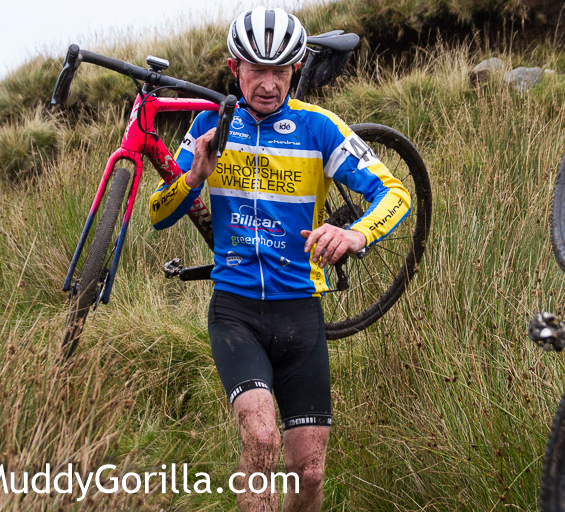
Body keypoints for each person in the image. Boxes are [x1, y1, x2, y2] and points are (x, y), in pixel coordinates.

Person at [149, 8, 411, 511]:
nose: (268, 84)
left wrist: (355, 233)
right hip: (236, 310)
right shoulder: (208, 125)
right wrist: (195, 175)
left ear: (296, 70)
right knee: (262, 439)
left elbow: (394, 193)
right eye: (256, 71)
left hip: (300, 311)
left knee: (309, 473)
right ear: (235, 68)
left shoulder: (319, 128)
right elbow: (159, 214)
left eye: (281, 71)